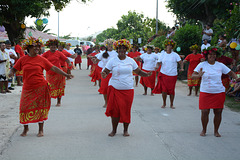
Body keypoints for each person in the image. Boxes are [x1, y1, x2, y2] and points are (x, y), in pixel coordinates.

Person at [8, 37, 73, 137]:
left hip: (40, 87)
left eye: (38, 47)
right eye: (35, 47)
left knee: (40, 107)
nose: (37, 49)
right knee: (24, 107)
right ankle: (26, 128)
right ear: (29, 48)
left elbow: (54, 68)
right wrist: (11, 72)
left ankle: (41, 130)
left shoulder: (41, 59)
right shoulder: (23, 59)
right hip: (27, 88)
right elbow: (14, 68)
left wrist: (66, 75)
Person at [101, 39, 151, 137]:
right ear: (117, 50)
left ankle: (125, 130)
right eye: (119, 48)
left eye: (123, 48)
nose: (121, 50)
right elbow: (106, 71)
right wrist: (103, 74)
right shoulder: (113, 60)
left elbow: (138, 72)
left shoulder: (131, 61)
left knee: (126, 110)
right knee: (115, 111)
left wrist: (146, 74)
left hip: (128, 89)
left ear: (126, 49)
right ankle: (114, 130)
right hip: (115, 88)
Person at [192, 46, 239, 137]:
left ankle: (216, 131)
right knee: (205, 111)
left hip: (218, 91)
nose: (212, 56)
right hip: (205, 91)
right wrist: (199, 75)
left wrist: (236, 78)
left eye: (214, 54)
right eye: (210, 54)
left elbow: (231, 73)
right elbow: (193, 75)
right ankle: (204, 130)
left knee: (218, 111)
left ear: (216, 56)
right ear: (207, 55)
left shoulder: (220, 65)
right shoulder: (202, 65)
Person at [153, 39, 184, 109]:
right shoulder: (162, 54)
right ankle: (164, 103)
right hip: (164, 74)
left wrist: (182, 68)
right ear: (166, 46)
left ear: (172, 47)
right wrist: (156, 67)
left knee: (171, 90)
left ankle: (171, 104)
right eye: (167, 45)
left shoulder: (175, 55)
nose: (169, 47)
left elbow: (180, 62)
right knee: (164, 90)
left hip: (173, 75)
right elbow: (159, 62)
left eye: (170, 45)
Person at [42, 39, 72, 106]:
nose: (53, 47)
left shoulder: (59, 53)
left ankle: (59, 102)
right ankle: (48, 102)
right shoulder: (46, 53)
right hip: (49, 73)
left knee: (59, 87)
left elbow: (66, 59)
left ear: (56, 46)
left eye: (54, 46)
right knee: (49, 87)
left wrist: (69, 63)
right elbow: (40, 59)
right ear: (49, 46)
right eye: (51, 46)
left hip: (59, 73)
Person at [91, 39, 117, 108]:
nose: (110, 46)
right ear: (106, 46)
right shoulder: (103, 53)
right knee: (105, 88)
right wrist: (93, 60)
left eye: (111, 45)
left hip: (114, 73)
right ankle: (106, 102)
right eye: (108, 45)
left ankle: (113, 102)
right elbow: (96, 61)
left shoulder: (116, 53)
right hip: (105, 73)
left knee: (114, 88)